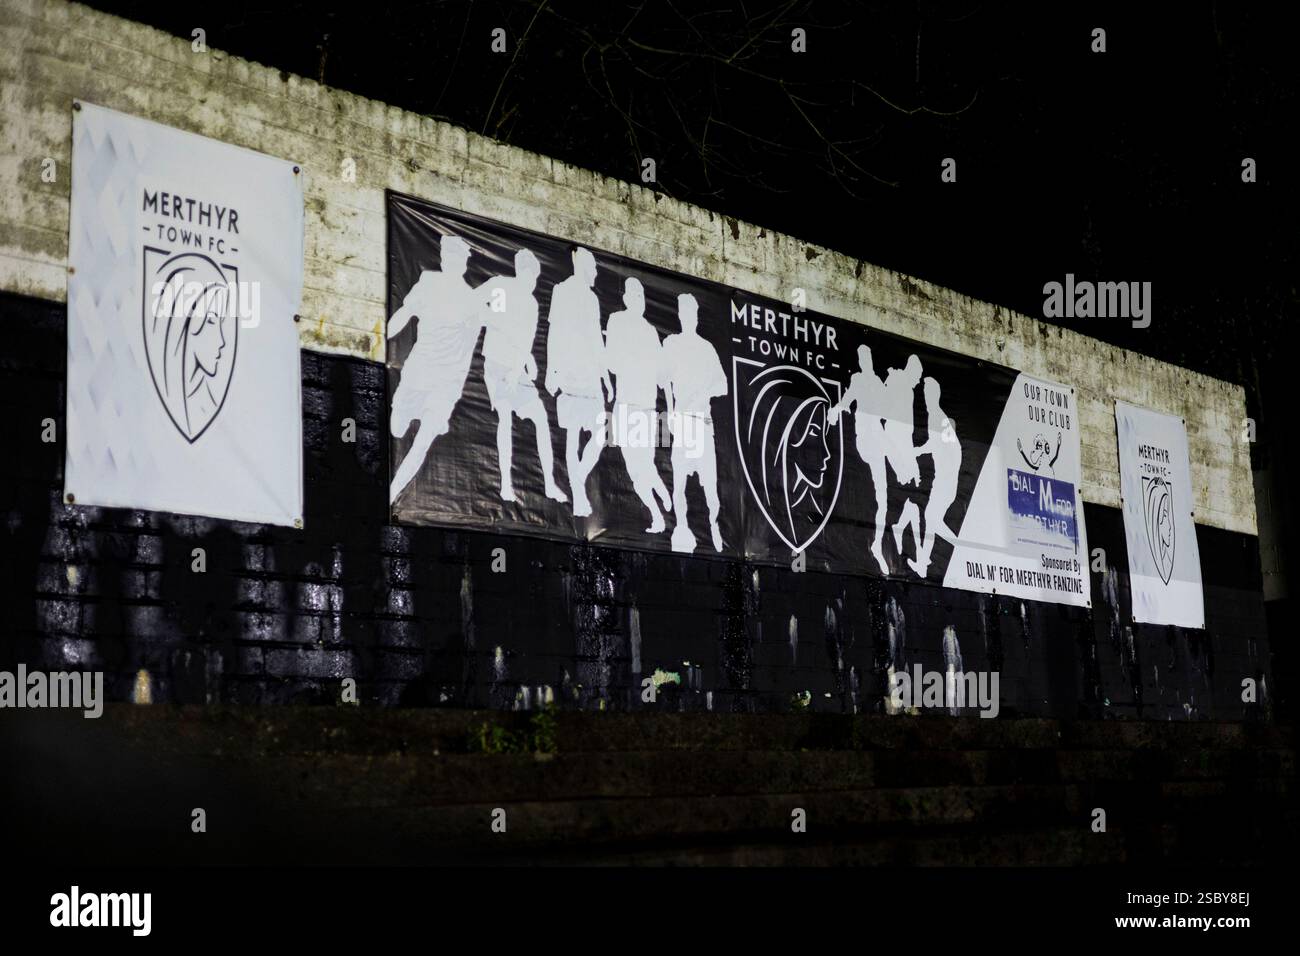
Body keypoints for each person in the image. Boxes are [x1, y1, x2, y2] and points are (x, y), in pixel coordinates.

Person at [387, 235, 479, 503]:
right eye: (448, 256)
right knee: (397, 429)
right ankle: (405, 412)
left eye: (457, 258)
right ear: (443, 259)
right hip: (419, 373)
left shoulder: (471, 301)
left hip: (445, 382)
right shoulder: (429, 282)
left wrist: (453, 392)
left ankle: (392, 493)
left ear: (463, 264)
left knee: (423, 440)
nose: (452, 262)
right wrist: (383, 335)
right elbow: (405, 312)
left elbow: (468, 351)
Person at [478, 248, 567, 504]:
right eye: (530, 277)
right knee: (505, 417)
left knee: (540, 417)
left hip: (516, 370)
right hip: (496, 365)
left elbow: (526, 339)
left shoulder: (531, 303)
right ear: (521, 271)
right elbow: (476, 305)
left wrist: (523, 363)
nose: (532, 283)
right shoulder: (500, 288)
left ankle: (549, 483)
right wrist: (492, 319)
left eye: (535, 279)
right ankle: (506, 484)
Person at [545, 247, 609, 516]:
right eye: (592, 268)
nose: (595, 274)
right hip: (571, 374)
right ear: (584, 267)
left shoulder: (592, 299)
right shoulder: (562, 291)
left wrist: (605, 376)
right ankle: (579, 496)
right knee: (572, 438)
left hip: (592, 375)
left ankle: (578, 482)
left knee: (599, 435)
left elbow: (596, 338)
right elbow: (554, 331)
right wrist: (552, 370)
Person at [604, 277, 672, 532]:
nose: (639, 300)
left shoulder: (647, 330)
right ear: (626, 299)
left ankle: (658, 514)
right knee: (642, 466)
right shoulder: (620, 322)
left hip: (638, 407)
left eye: (641, 295)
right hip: (633, 406)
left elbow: (661, 375)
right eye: (634, 295)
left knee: (638, 469)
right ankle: (661, 498)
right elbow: (613, 363)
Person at [661, 293, 727, 553]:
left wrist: (705, 392)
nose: (689, 317)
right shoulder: (671, 343)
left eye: (693, 313)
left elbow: (722, 384)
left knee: (711, 488)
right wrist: (671, 412)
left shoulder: (706, 348)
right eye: (685, 312)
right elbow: (663, 379)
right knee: (679, 484)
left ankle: (714, 525)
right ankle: (681, 527)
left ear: (697, 316)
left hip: (703, 424)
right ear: (680, 315)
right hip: (683, 425)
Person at [146, 252, 235, 442]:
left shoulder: (207, 407)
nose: (222, 341)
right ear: (182, 325)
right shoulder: (149, 401)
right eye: (211, 321)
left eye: (222, 322)